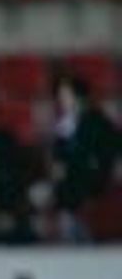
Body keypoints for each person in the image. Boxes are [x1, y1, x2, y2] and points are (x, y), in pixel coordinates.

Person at [44, 76, 119, 242]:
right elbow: (58, 154)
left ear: (79, 97)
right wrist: (58, 165)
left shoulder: (98, 121)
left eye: (66, 96)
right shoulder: (64, 124)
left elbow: (108, 154)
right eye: (61, 96)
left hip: (92, 177)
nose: (62, 100)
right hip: (70, 180)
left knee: (70, 186)